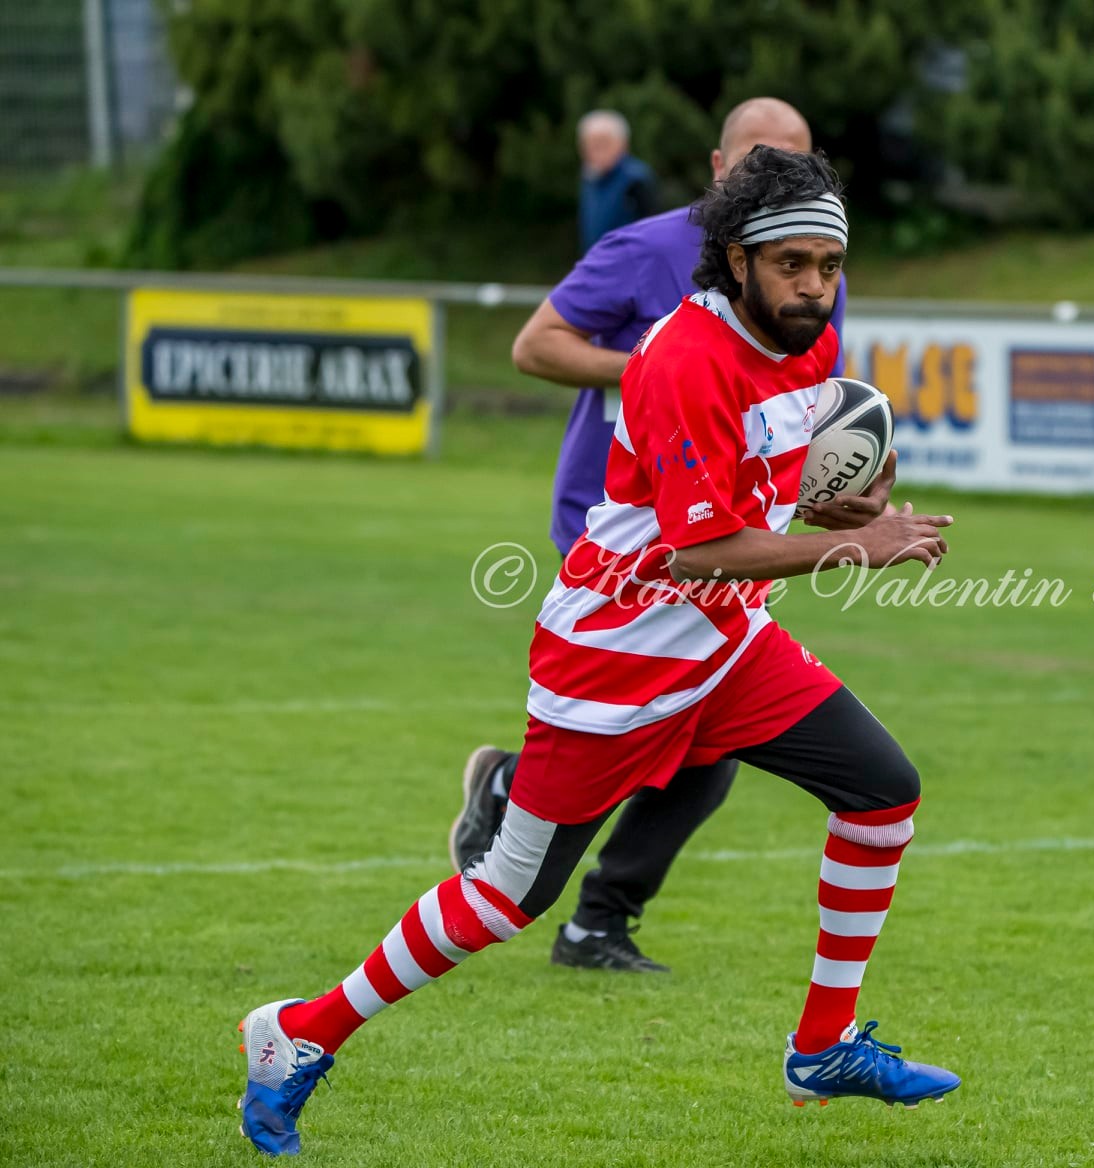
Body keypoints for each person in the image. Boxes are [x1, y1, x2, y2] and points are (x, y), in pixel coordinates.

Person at [238, 146, 961, 1156]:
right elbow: (699, 546)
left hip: (725, 640)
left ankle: (823, 1045)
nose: (814, 285)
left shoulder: (807, 338)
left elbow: (757, 484)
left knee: (884, 791)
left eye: (828, 266)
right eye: (792, 264)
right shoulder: (681, 360)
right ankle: (295, 1034)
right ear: (736, 259)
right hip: (617, 661)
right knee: (504, 896)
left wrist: (834, 502)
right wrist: (854, 542)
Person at [449, 97, 858, 976]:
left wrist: (842, 485)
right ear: (718, 167)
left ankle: (590, 904)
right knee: (667, 741)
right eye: (753, 160)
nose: (768, 178)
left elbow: (807, 401)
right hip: (623, 530)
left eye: (789, 161)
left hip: (732, 534)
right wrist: (655, 373)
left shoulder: (810, 259)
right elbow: (536, 345)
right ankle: (553, 860)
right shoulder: (645, 249)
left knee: (705, 753)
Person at [578, 109, 660, 253]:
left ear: (622, 144)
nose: (596, 149)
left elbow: (653, 233)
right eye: (591, 143)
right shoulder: (590, 178)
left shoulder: (637, 179)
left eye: (604, 142)